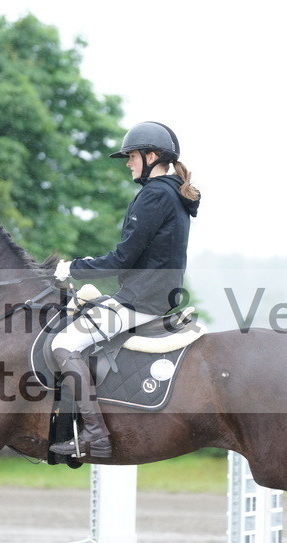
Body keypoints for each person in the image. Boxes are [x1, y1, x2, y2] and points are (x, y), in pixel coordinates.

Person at [50, 121, 201, 459]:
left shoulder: (154, 194)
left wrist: (72, 267)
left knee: (64, 342)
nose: (128, 163)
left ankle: (95, 436)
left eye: (131, 156)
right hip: (156, 297)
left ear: (152, 156)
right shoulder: (175, 193)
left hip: (139, 301)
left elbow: (122, 259)